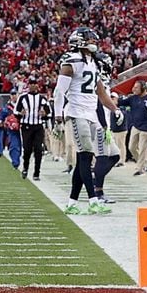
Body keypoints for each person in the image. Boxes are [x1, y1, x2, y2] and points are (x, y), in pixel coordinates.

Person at [55, 27, 117, 214]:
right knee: (85, 156)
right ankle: (93, 200)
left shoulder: (92, 63)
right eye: (89, 38)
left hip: (91, 114)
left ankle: (72, 203)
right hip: (77, 112)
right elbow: (59, 92)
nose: (93, 41)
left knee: (85, 159)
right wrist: (58, 116)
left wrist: (115, 109)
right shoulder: (70, 61)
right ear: (79, 41)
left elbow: (101, 92)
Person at [119, 81, 147, 174]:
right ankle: (144, 163)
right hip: (135, 126)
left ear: (143, 88)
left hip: (146, 126)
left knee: (142, 147)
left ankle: (140, 169)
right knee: (131, 147)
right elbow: (120, 102)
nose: (133, 89)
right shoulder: (132, 98)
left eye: (136, 87)